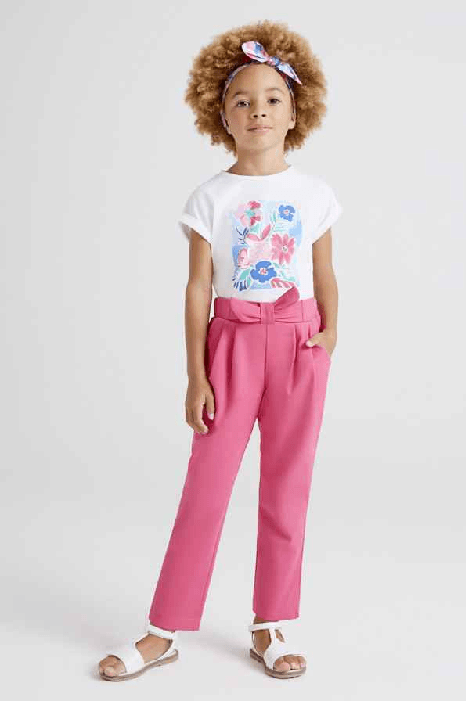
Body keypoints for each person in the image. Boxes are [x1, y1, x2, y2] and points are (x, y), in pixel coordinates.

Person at [98, 19, 344, 681]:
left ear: (295, 111)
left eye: (272, 98)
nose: (257, 109)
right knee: (205, 490)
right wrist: (196, 375)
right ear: (222, 115)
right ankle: (164, 629)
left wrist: (329, 333)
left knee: (286, 487)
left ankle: (271, 623)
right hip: (230, 343)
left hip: (298, 343)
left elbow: (324, 273)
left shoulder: (315, 194)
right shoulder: (210, 198)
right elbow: (197, 288)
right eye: (242, 100)